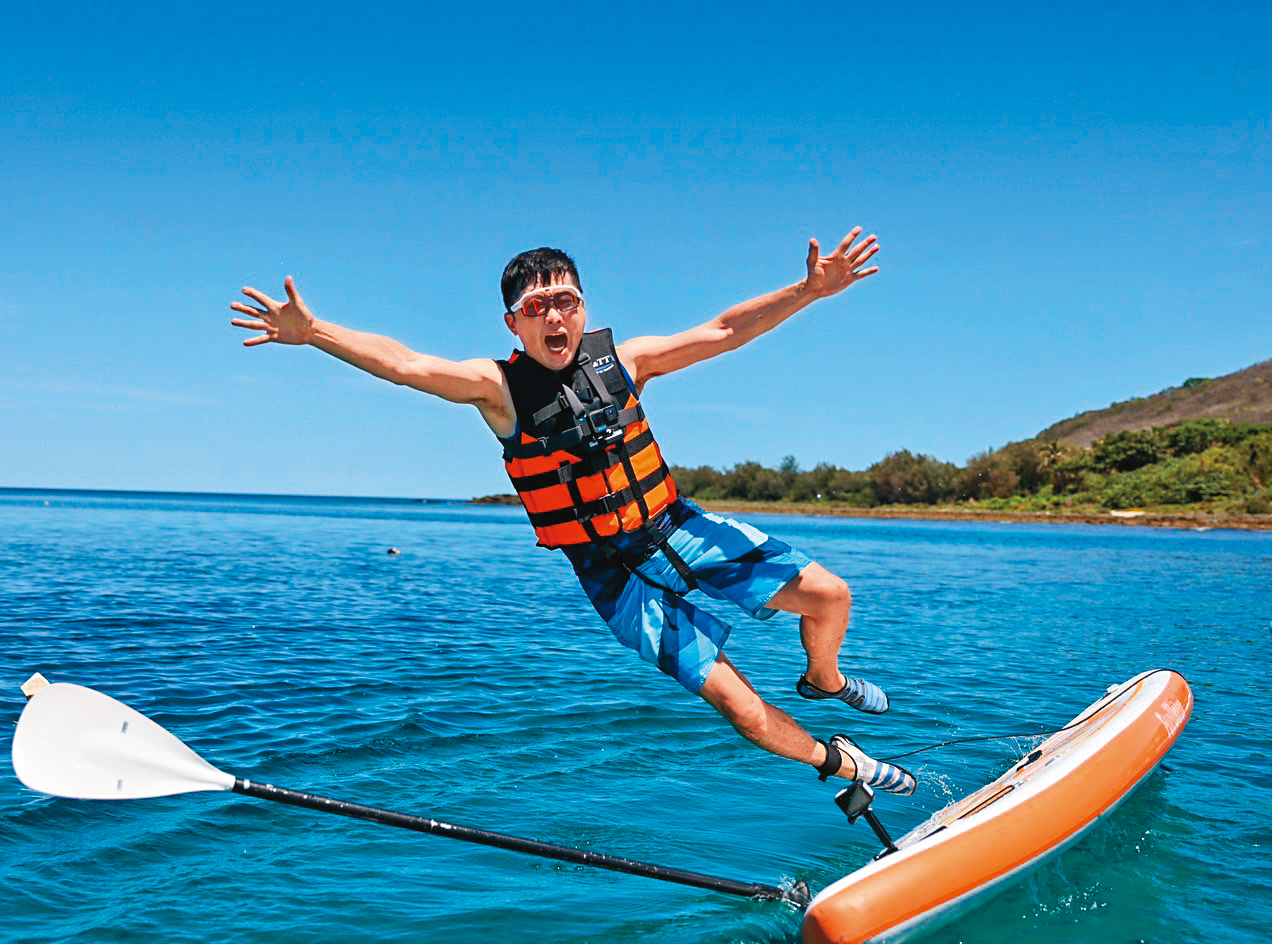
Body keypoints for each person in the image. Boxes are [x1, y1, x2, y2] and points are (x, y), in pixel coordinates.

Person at [230, 228, 915, 806]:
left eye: (567, 301)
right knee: (737, 706)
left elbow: (725, 330)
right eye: (538, 306)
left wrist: (808, 291)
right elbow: (408, 364)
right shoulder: (497, 390)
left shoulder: (627, 362)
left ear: (584, 309)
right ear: (514, 323)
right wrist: (315, 330)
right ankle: (842, 763)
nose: (555, 317)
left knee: (830, 595)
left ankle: (824, 680)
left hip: (679, 528)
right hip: (614, 576)